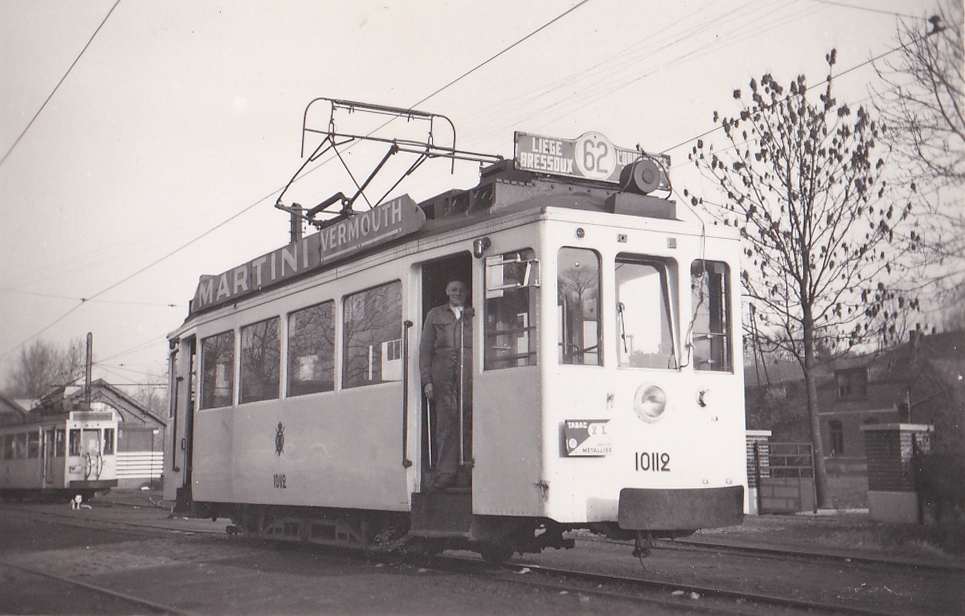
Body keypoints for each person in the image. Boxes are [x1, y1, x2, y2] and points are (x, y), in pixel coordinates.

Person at [419, 279, 473, 491]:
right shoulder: (435, 315)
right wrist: (427, 380)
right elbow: (425, 349)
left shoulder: (474, 313)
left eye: (461, 290)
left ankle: (470, 471)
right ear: (446, 292)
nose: (457, 293)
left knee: (470, 420)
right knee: (446, 422)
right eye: (453, 290)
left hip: (469, 373)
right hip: (443, 374)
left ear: (467, 291)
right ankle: (446, 473)